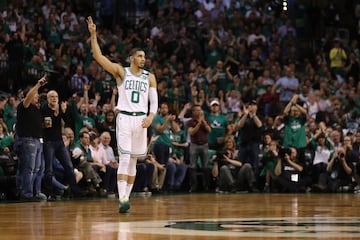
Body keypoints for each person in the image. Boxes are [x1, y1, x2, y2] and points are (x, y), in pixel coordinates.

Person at [87, 16, 158, 213]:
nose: (144, 59)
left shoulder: (150, 77)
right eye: (140, 56)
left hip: (142, 120)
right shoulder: (121, 71)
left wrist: (152, 116)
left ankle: (126, 197)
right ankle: (123, 197)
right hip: (125, 117)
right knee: (125, 158)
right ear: (132, 58)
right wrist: (94, 36)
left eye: (145, 56)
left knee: (134, 160)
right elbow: (99, 58)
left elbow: (155, 100)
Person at [42, 90, 86, 198]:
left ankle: (75, 191)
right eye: (52, 96)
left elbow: (66, 121)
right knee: (49, 169)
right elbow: (46, 125)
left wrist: (64, 111)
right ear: (48, 99)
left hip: (59, 142)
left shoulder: (60, 108)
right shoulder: (44, 109)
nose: (54, 98)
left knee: (69, 166)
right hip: (48, 142)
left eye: (56, 96)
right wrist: (55, 115)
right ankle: (49, 193)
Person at [14, 75, 47, 201]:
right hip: (27, 140)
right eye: (35, 94)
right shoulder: (24, 105)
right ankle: (26, 194)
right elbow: (28, 97)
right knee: (29, 168)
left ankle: (25, 191)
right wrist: (38, 85)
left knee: (35, 168)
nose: (37, 96)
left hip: (37, 140)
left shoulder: (36, 108)